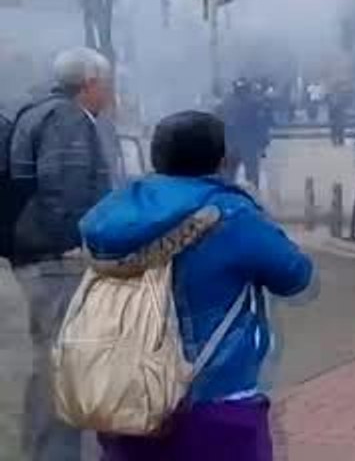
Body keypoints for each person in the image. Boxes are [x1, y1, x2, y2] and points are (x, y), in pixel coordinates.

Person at [81, 111, 311, 461]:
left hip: (127, 396)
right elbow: (295, 275)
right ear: (220, 159)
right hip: (214, 398)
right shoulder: (231, 215)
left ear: (156, 156)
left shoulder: (114, 214)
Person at [3, 47, 118, 461]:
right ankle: (58, 453)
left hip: (34, 254)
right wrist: (74, 242)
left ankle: (47, 449)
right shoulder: (67, 119)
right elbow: (63, 189)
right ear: (90, 83)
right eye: (105, 83)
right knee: (63, 359)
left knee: (50, 358)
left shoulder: (38, 111)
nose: (108, 92)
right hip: (56, 258)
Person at [217, 78, 271, 188]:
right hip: (240, 143)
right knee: (235, 173)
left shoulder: (228, 102)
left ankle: (242, 193)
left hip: (241, 142)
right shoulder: (254, 102)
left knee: (239, 173)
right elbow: (262, 123)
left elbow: (261, 123)